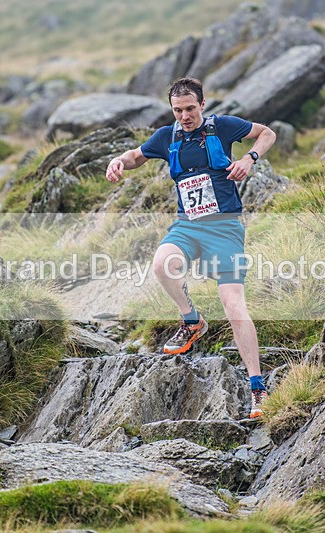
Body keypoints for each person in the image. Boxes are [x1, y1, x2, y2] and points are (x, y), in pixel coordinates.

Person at [105, 77, 276, 418]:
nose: (184, 116)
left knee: (233, 305)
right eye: (178, 110)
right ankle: (192, 321)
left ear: (202, 104)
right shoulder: (167, 136)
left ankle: (258, 389)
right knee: (161, 265)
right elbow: (138, 156)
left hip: (224, 228)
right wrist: (119, 161)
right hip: (186, 226)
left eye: (190, 109)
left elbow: (267, 132)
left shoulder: (224, 127)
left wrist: (249, 159)